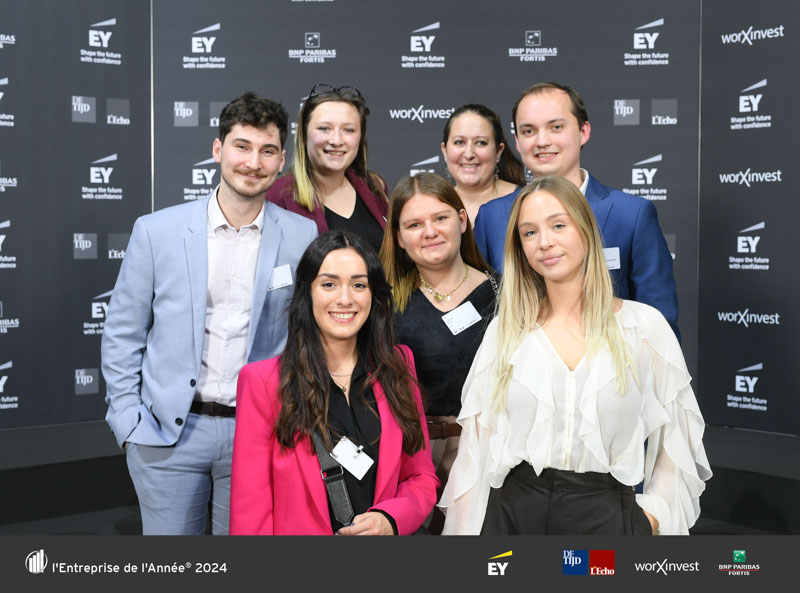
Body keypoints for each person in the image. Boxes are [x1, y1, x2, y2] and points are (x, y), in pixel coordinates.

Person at [439, 176, 711, 535]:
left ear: (585, 229)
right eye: (529, 232)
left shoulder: (643, 328)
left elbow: (678, 440)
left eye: (558, 225)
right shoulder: (506, 331)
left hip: (606, 516)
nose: (544, 242)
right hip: (511, 518)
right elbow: (474, 456)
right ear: (520, 248)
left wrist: (651, 517)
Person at [101, 92, 317, 535]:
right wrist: (128, 421)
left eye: (267, 151)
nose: (253, 162)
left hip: (258, 434)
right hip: (166, 436)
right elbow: (123, 332)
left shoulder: (302, 235)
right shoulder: (156, 231)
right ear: (218, 149)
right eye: (242, 146)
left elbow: (306, 334)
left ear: (282, 162)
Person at [230, 231, 438, 535]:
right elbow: (251, 511)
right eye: (329, 284)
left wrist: (391, 519)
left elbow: (421, 478)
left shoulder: (397, 366)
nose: (345, 299)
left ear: (373, 294)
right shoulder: (263, 382)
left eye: (358, 285)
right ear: (308, 293)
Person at [473, 82, 680, 339]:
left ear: (583, 132)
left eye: (556, 127)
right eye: (529, 131)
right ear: (517, 141)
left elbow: (659, 326)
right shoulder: (492, 217)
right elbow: (482, 314)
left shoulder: (632, 215)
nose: (542, 141)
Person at [380, 172, 497, 532]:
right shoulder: (381, 302)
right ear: (399, 238)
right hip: (409, 458)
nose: (429, 232)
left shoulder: (503, 294)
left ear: (461, 220)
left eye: (440, 218)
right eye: (414, 224)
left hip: (484, 452)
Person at [266, 84, 388, 253]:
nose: (336, 140)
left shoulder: (375, 187)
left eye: (348, 130)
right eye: (324, 128)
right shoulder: (276, 197)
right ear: (304, 135)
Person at [441, 104, 526, 225]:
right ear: (445, 150)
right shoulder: (434, 205)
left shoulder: (524, 201)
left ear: (498, 151)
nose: (469, 154)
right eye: (459, 142)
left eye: (481, 143)